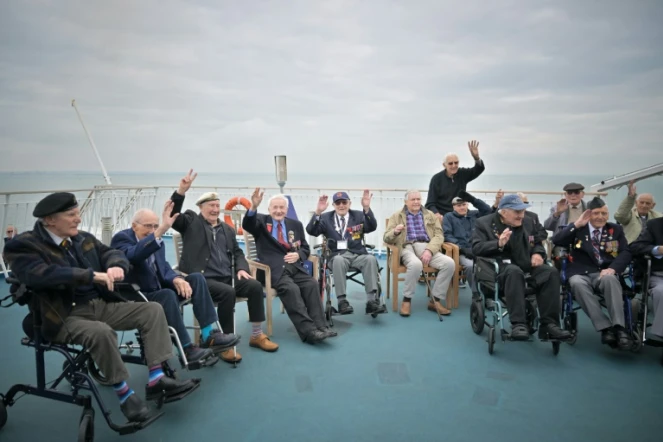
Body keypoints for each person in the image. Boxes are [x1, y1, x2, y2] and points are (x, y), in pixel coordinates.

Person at [2, 192, 197, 423]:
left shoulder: (82, 238)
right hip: (63, 315)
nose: (78, 219)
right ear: (50, 220)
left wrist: (115, 266)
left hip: (99, 305)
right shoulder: (23, 246)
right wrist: (91, 276)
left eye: (78, 213)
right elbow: (41, 275)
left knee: (152, 310)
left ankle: (156, 379)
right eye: (72, 215)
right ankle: (125, 395)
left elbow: (111, 253)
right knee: (102, 332)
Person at [169, 170, 279, 362]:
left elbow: (237, 252)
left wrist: (242, 269)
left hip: (227, 275)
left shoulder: (227, 229)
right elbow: (172, 214)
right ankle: (225, 342)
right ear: (201, 207)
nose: (215, 209)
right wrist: (181, 192)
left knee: (253, 286)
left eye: (217, 206)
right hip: (203, 279)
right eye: (211, 205)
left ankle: (256, 334)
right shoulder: (191, 222)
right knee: (228, 292)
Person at [111, 202, 240, 363]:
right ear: (134, 226)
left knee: (197, 279)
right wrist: (159, 231)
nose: (152, 230)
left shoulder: (156, 240)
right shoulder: (122, 239)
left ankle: (208, 335)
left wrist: (176, 278)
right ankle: (186, 348)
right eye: (148, 226)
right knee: (167, 294)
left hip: (158, 288)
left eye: (155, 226)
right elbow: (134, 255)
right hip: (138, 294)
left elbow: (163, 267)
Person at [472, 194, 571, 341]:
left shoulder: (529, 222)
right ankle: (519, 324)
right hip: (499, 268)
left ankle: (549, 325)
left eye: (523, 211)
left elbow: (537, 242)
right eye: (517, 212)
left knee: (550, 272)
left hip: (526, 264)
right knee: (514, 271)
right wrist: (498, 244)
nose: (521, 215)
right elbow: (476, 248)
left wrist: (537, 253)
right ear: (504, 212)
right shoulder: (483, 223)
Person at [242, 188, 334, 344]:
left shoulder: (295, 225)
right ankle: (309, 331)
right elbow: (247, 224)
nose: (278, 211)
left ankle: (321, 326)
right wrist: (253, 206)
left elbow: (305, 247)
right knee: (291, 289)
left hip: (294, 267)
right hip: (271, 270)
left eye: (281, 207)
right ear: (269, 209)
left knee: (311, 284)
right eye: (275, 208)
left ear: (286, 209)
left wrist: (298, 255)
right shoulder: (261, 222)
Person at [552, 197, 632, 349]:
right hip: (580, 271)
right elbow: (557, 240)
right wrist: (576, 224)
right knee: (576, 283)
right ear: (588, 214)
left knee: (610, 279)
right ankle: (604, 327)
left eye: (604, 213)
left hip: (604, 271)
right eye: (596, 213)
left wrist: (613, 269)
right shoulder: (578, 228)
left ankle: (619, 328)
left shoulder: (615, 229)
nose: (600, 217)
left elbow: (625, 253)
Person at [306, 190, 385, 315]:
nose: (341, 205)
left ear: (349, 203)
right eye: (338, 203)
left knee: (370, 259)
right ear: (333, 205)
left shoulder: (359, 216)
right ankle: (342, 301)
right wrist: (318, 212)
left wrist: (366, 208)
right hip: (336, 255)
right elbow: (311, 231)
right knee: (338, 260)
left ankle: (371, 302)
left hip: (357, 253)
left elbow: (372, 227)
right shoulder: (326, 218)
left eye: (344, 202)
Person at [384, 190, 455, 317]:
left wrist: (429, 250)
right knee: (416, 264)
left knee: (449, 263)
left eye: (418, 199)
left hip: (427, 247)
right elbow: (386, 238)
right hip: (406, 246)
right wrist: (395, 231)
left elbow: (439, 235)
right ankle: (407, 300)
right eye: (413, 199)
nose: (416, 202)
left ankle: (435, 300)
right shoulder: (397, 216)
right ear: (406, 202)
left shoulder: (430, 215)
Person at [442, 191, 493, 298]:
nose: (462, 207)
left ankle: (489, 296)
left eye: (464, 204)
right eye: (459, 205)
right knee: (470, 266)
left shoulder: (475, 215)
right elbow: (447, 235)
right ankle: (476, 294)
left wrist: (473, 200)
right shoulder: (449, 217)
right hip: (462, 251)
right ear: (454, 207)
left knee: (490, 266)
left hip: (478, 249)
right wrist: (462, 249)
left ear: (467, 204)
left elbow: (488, 210)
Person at [425, 140, 485, 219]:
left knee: (485, 214)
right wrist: (436, 214)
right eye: (450, 163)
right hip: (444, 215)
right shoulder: (436, 179)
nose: (454, 165)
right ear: (444, 165)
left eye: (456, 163)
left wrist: (476, 158)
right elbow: (430, 203)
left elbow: (478, 169)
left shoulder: (462, 174)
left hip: (460, 213)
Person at [629, 217, 663, 341]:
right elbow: (635, 247)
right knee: (661, 292)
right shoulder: (655, 225)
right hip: (658, 275)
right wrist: (657, 249)